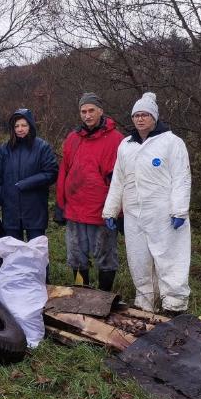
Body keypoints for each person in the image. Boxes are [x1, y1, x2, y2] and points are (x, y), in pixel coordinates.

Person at [102, 92, 191, 314]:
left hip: (163, 213)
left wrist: (179, 210)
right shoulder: (126, 145)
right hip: (133, 214)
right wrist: (111, 210)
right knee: (139, 259)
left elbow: (182, 177)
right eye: (136, 115)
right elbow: (118, 180)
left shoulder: (171, 142)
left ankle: (174, 305)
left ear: (154, 117)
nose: (140, 119)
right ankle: (145, 303)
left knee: (169, 257)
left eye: (145, 115)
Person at [56, 93, 124, 290]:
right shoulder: (72, 139)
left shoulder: (116, 140)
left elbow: (121, 180)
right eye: (83, 111)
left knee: (106, 257)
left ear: (100, 111)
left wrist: (119, 212)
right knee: (76, 257)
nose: (87, 115)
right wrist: (60, 205)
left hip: (102, 212)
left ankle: (104, 297)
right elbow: (64, 173)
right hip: (75, 211)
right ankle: (81, 296)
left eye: (91, 110)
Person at [0, 108, 58, 242]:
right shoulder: (4, 149)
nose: (20, 129)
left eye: (24, 125)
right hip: (11, 210)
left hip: (35, 207)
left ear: (30, 126)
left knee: (37, 253)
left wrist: (27, 183)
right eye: (17, 126)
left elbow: (51, 173)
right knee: (14, 254)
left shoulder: (42, 147)